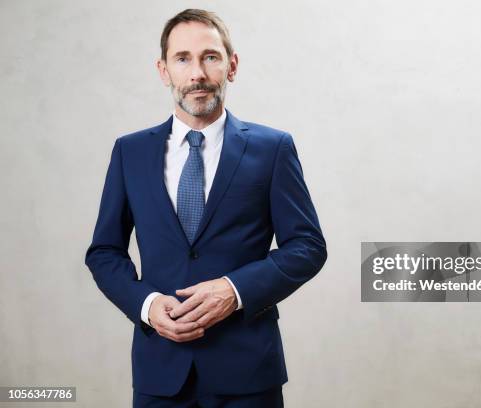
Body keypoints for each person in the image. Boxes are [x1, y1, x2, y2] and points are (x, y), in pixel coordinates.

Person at [84, 8, 327, 407]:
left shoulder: (272, 149)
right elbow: (104, 252)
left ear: (231, 66)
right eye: (183, 59)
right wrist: (146, 305)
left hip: (248, 373)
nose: (197, 72)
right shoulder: (131, 152)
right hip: (160, 371)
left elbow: (308, 247)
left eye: (210, 57)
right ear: (164, 71)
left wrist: (234, 291)